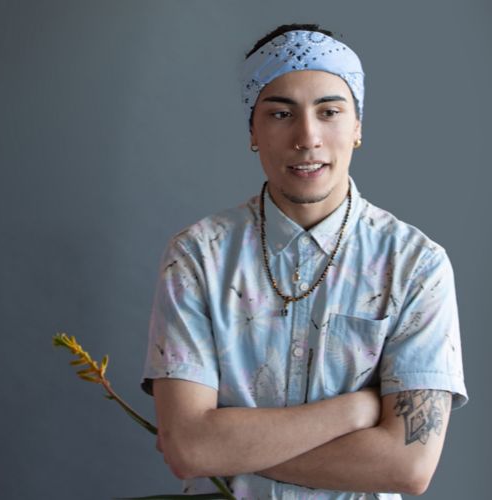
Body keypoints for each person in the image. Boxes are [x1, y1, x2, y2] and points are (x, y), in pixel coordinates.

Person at [141, 24, 467, 498]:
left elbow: (408, 465)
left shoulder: (416, 265)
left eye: (329, 111)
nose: (307, 137)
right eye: (280, 113)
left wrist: (230, 447)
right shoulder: (198, 256)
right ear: (253, 130)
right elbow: (189, 450)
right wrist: (354, 412)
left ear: (357, 127)